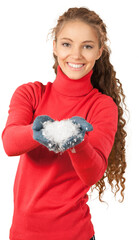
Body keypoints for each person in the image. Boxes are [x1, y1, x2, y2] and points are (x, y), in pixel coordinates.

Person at [1, 7, 127, 240]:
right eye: (67, 44)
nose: (76, 55)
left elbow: (93, 173)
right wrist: (36, 132)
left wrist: (78, 143)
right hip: (22, 234)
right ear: (55, 46)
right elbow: (9, 142)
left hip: (74, 234)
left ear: (100, 51)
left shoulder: (102, 106)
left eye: (87, 46)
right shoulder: (30, 94)